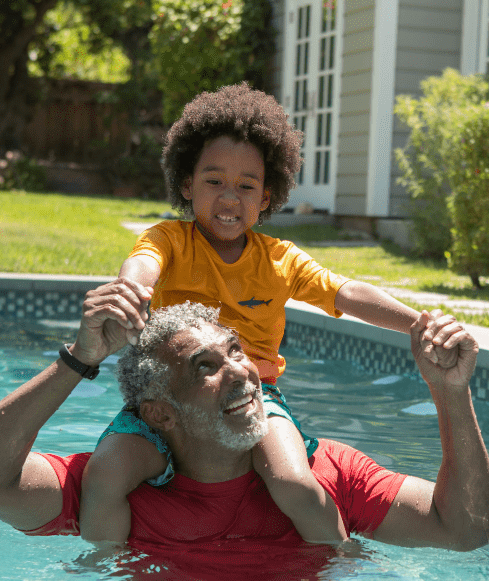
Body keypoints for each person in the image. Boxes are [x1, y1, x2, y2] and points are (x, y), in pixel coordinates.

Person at [82, 82, 426, 547]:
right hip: (175, 399)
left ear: (266, 197)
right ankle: (111, 573)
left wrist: (419, 323)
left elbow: (345, 292)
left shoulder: (280, 259)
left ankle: (342, 575)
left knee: (294, 484)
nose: (230, 197)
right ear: (187, 184)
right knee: (103, 474)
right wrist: (131, 288)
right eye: (214, 180)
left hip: (253, 398)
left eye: (247, 186)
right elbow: (144, 264)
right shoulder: (171, 240)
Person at [0, 278, 489, 555]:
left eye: (236, 350)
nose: (241, 372)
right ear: (159, 413)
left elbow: (467, 530)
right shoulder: (112, 490)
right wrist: (79, 359)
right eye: (206, 366)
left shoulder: (329, 475)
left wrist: (450, 393)